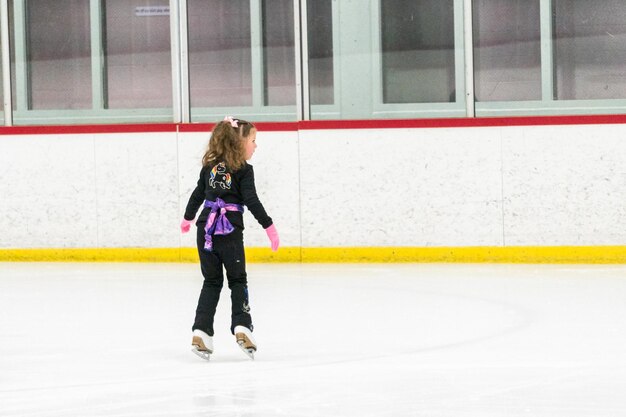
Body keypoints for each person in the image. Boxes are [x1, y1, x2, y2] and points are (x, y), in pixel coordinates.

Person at [180, 116, 279, 360]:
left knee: (211, 281)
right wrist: (269, 227)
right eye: (253, 141)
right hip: (229, 231)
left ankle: (201, 332)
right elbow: (252, 201)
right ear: (239, 143)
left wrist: (188, 219)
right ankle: (243, 326)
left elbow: (197, 196)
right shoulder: (244, 170)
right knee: (237, 280)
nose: (256, 146)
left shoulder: (209, 168)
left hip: (205, 231)